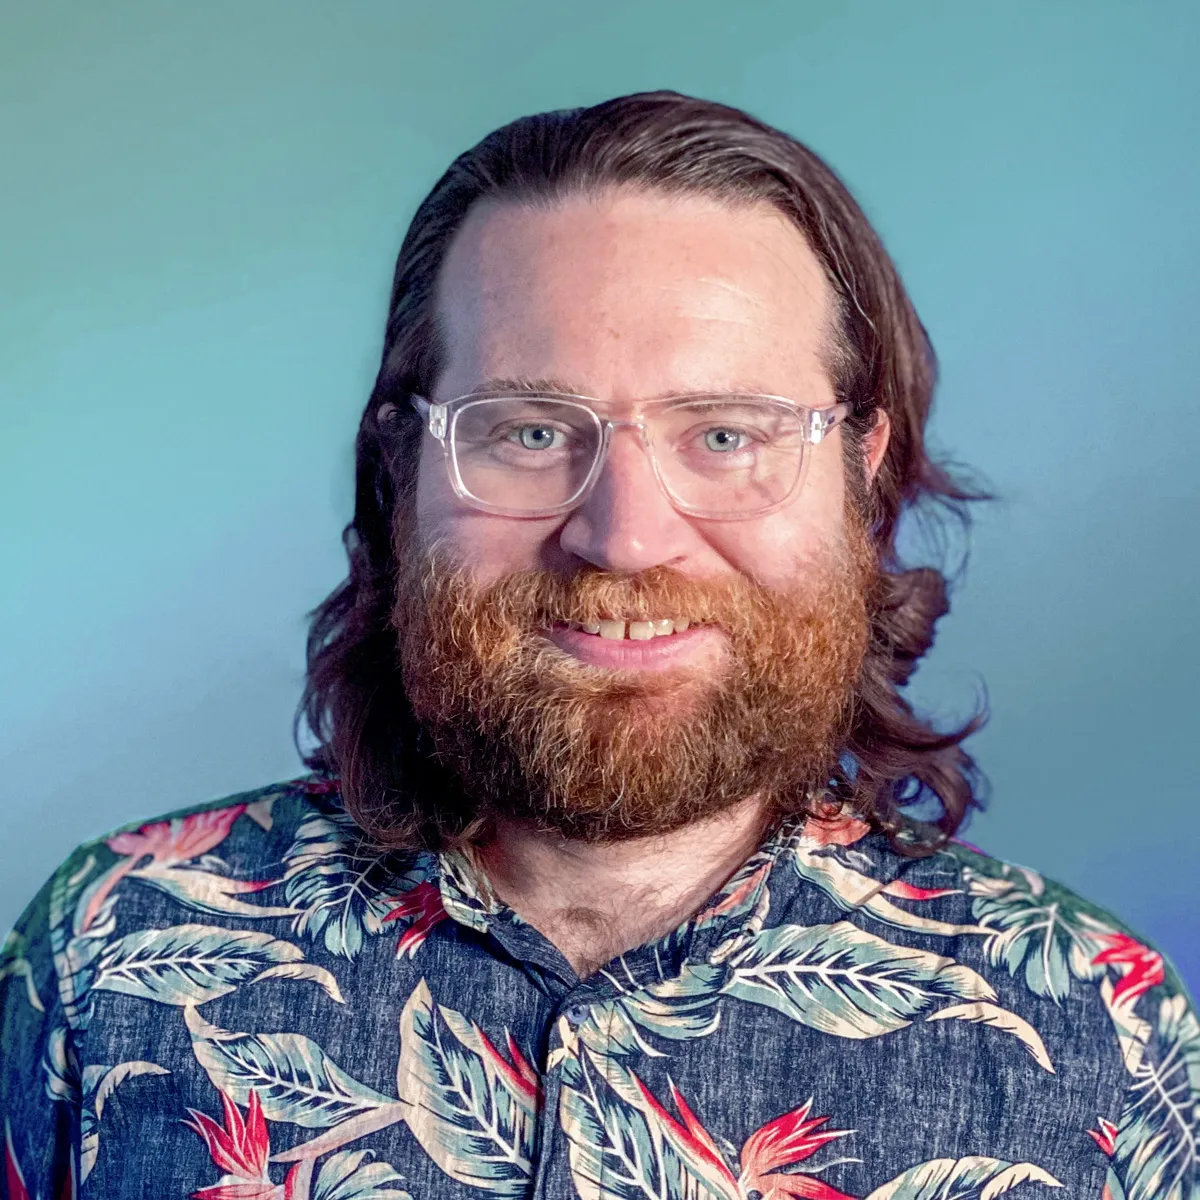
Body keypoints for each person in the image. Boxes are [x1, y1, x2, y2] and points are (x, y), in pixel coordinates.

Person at [1, 91, 1194, 1200]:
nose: (624, 539)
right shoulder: (106, 959)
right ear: (401, 466)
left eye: (726, 435)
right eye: (528, 431)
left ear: (861, 472)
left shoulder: (1103, 1036)